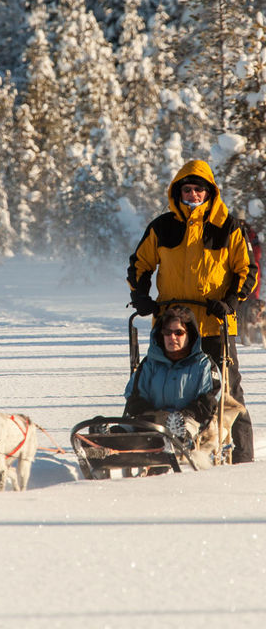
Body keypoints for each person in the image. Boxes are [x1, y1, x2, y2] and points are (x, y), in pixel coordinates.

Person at [127, 159, 258, 464]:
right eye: (187, 189)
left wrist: (230, 302)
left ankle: (242, 458)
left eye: (199, 189)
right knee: (153, 384)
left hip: (214, 324)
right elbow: (139, 264)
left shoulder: (229, 227)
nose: (193, 194)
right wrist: (141, 296)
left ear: (209, 192)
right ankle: (144, 440)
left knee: (228, 392)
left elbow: (247, 271)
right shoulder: (162, 227)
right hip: (171, 326)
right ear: (178, 192)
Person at [124, 306, 221, 452]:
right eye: (167, 332)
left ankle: (177, 439)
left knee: (183, 427)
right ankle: (105, 439)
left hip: (189, 421)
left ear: (190, 335)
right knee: (129, 427)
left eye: (179, 333)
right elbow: (134, 395)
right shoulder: (150, 363)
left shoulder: (204, 365)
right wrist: (151, 414)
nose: (172, 337)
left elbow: (209, 399)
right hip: (150, 419)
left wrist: (185, 415)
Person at [236, 209, 262, 300]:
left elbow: (257, 251)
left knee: (255, 273)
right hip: (236, 263)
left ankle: (253, 300)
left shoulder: (251, 234)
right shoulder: (231, 232)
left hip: (250, 262)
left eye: (241, 222)